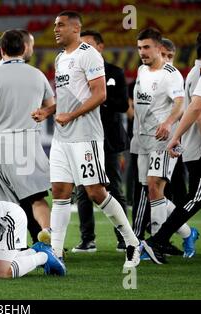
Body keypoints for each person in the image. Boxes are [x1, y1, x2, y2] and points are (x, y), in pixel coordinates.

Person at [31, 11, 141, 268]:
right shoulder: (60, 58)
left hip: (85, 136)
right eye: (55, 25)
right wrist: (49, 110)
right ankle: (55, 254)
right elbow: (67, 96)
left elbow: (100, 94)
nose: (55, 29)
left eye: (60, 25)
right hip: (62, 137)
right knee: (59, 192)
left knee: (96, 192)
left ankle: (132, 242)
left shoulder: (88, 54)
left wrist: (70, 115)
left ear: (75, 28)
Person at [0, 29, 53, 246]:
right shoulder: (37, 74)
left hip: (0, 144)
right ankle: (48, 237)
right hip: (27, 142)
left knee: (8, 203)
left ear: (1, 50)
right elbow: (50, 106)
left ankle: (15, 244)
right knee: (37, 197)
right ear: (24, 48)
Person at [142, 30, 201, 264]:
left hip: (181, 142)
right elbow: (196, 110)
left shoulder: (192, 72)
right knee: (195, 196)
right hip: (196, 146)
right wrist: (175, 135)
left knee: (188, 194)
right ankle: (159, 240)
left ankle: (158, 240)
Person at [132, 28, 192, 253]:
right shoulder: (141, 70)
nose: (142, 52)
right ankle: (186, 232)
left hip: (163, 139)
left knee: (156, 186)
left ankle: (155, 243)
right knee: (150, 189)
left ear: (159, 48)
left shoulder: (171, 73)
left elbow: (180, 104)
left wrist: (167, 123)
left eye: (146, 47)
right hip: (143, 138)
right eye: (139, 48)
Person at [71, 30, 129, 253]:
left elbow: (123, 104)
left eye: (88, 45)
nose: (83, 50)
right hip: (83, 138)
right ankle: (87, 240)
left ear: (101, 47)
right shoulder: (76, 72)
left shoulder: (114, 72)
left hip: (109, 140)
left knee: (114, 187)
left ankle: (123, 238)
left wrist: (99, 99)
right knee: (83, 190)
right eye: (80, 45)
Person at [159, 37, 188, 211]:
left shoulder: (175, 77)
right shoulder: (145, 75)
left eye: (170, 56)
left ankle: (178, 227)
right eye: (163, 55)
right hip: (152, 141)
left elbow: (182, 107)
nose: (167, 60)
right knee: (156, 187)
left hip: (175, 138)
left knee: (176, 183)